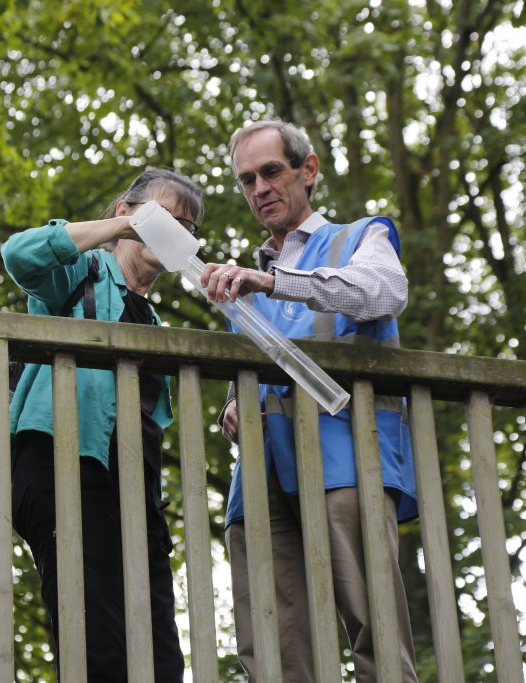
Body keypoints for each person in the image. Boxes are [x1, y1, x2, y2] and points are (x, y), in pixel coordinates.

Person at [200, 120, 419, 682]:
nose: (259, 188)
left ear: (308, 169)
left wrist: (276, 281)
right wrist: (230, 405)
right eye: (247, 180)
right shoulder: (246, 281)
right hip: (259, 486)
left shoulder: (358, 238)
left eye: (271, 171)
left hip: (347, 462)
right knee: (273, 652)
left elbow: (384, 291)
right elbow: (259, 366)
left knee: (377, 635)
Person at [2, 168, 203, 682]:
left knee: (161, 663)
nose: (175, 232)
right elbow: (20, 255)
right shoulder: (81, 275)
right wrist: (119, 230)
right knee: (99, 649)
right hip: (65, 467)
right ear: (123, 210)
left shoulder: (154, 326)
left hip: (135, 498)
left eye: (187, 227)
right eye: (164, 218)